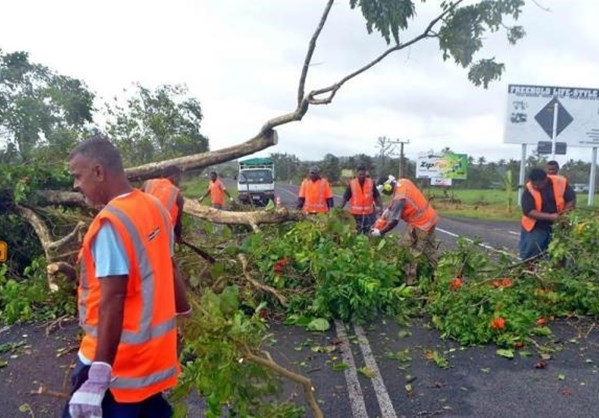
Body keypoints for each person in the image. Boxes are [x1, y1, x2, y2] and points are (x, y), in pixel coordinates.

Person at [64, 136, 190, 418]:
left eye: (78, 176)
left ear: (98, 172)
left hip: (114, 367)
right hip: (150, 364)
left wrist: (97, 376)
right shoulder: (155, 207)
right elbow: (168, 266)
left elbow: (113, 297)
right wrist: (186, 310)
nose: (76, 185)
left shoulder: (111, 223)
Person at [372, 175, 439, 284]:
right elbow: (403, 198)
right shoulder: (403, 182)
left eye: (384, 191)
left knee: (407, 250)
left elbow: (394, 221)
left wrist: (380, 232)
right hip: (430, 219)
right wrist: (389, 209)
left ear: (388, 186)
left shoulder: (399, 199)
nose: (385, 193)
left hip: (420, 225)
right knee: (429, 250)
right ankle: (437, 276)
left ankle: (410, 282)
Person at [519, 168, 576, 261]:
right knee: (531, 253)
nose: (535, 186)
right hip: (536, 226)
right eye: (533, 184)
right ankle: (526, 270)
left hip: (558, 225)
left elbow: (571, 199)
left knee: (558, 252)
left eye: (538, 184)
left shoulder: (560, 182)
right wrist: (551, 217)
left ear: (545, 179)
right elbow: (528, 211)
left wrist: (564, 214)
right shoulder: (529, 189)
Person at [141, 165, 184, 244]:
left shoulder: (147, 183)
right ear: (175, 177)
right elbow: (178, 222)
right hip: (165, 234)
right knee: (164, 255)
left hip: (145, 228)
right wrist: (178, 237)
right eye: (179, 179)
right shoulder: (178, 194)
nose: (179, 182)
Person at [340, 166, 383, 234]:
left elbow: (377, 196)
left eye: (363, 174)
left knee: (370, 232)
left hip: (369, 214)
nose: (362, 176)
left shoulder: (371, 182)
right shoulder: (352, 184)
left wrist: (381, 207)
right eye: (360, 174)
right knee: (355, 232)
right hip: (355, 215)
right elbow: (345, 198)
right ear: (357, 174)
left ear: (365, 173)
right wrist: (339, 208)